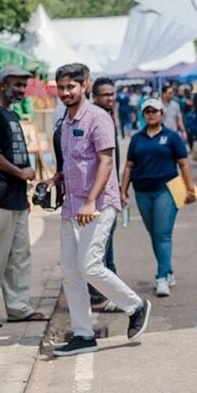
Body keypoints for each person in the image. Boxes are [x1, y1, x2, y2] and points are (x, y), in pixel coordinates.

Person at [50, 63, 151, 357]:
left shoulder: (98, 118)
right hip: (71, 207)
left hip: (97, 204)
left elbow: (106, 162)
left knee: (90, 265)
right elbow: (74, 164)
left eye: (72, 86)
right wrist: (55, 179)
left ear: (86, 85)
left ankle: (135, 305)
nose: (66, 92)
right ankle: (83, 334)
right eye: (62, 87)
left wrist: (92, 200)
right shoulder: (65, 123)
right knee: (70, 272)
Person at [0, 66, 47, 329]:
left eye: (24, 86)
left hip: (15, 197)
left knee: (19, 255)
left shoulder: (10, 114)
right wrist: (20, 172)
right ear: (2, 84)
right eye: (17, 85)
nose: (22, 91)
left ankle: (18, 308)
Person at [120, 98, 197, 297]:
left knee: (163, 234)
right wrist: (123, 190)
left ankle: (161, 276)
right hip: (142, 191)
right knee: (154, 233)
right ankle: (168, 270)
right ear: (143, 115)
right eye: (147, 111)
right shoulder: (137, 139)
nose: (151, 114)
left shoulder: (172, 137)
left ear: (162, 114)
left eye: (155, 111)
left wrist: (190, 189)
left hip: (166, 190)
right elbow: (129, 166)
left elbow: (184, 164)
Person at [87, 77, 123, 313]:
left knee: (106, 245)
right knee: (99, 247)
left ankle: (110, 293)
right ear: (95, 96)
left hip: (110, 193)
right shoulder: (95, 119)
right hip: (97, 196)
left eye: (112, 94)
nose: (110, 98)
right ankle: (100, 296)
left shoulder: (108, 118)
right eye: (105, 95)